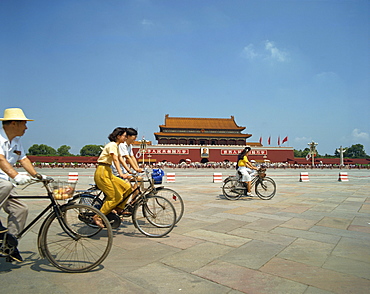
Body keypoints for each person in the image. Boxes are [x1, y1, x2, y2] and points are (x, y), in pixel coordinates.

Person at [0, 108, 46, 262]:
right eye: (24, 124)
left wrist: (38, 176)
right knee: (6, 186)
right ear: (14, 123)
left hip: (4, 182)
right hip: (3, 183)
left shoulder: (17, 141)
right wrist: (16, 175)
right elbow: (1, 159)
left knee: (21, 209)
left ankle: (8, 244)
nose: (26, 127)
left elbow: (24, 160)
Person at [93, 127, 132, 227]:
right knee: (114, 197)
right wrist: (121, 174)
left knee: (127, 187)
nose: (125, 138)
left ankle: (118, 209)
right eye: (124, 136)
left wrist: (129, 171)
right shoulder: (112, 145)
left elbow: (120, 158)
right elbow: (115, 159)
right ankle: (98, 216)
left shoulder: (117, 146)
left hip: (108, 172)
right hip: (102, 172)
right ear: (118, 136)